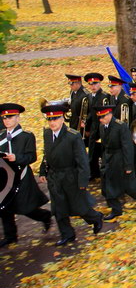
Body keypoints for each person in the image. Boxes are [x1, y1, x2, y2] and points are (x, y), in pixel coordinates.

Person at [39, 103, 103, 246]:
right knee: (58, 208)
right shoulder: (47, 134)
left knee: (79, 206)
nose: (52, 122)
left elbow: (82, 161)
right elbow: (47, 154)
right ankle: (67, 234)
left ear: (62, 119)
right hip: (54, 177)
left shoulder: (73, 136)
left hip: (70, 176)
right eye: (49, 119)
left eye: (55, 119)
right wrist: (43, 170)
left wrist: (83, 181)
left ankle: (95, 218)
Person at [0, 103, 51, 247]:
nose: (7, 120)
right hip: (5, 178)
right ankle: (10, 236)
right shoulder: (1, 136)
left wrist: (17, 158)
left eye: (10, 117)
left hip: (21, 176)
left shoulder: (26, 136)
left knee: (25, 207)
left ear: (17, 117)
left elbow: (31, 157)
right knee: (4, 207)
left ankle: (45, 216)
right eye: (4, 118)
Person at [95, 104, 136, 220]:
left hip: (120, 158)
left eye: (103, 117)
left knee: (128, 186)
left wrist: (128, 166)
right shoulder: (102, 126)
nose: (101, 120)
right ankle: (116, 209)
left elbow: (127, 147)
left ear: (110, 114)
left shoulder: (120, 126)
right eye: (100, 117)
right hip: (108, 158)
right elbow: (104, 145)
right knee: (107, 185)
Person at [83, 72, 107, 180]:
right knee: (92, 152)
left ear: (99, 84)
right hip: (93, 128)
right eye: (91, 84)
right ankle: (94, 172)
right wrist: (86, 126)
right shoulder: (89, 96)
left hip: (102, 127)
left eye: (95, 84)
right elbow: (90, 113)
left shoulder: (104, 96)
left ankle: (105, 173)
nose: (93, 86)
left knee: (103, 151)